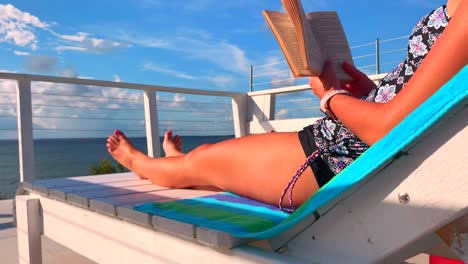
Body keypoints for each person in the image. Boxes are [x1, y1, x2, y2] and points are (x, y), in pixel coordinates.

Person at [107, 0, 467, 212]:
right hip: (349, 143)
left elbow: (391, 130)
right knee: (204, 158)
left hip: (341, 159)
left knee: (200, 161)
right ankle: (169, 162)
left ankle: (140, 163)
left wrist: (331, 96)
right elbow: (423, 99)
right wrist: (367, 94)